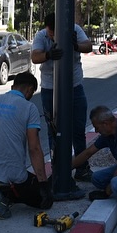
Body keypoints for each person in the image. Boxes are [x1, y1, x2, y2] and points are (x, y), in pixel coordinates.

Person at [0, 71, 52, 219]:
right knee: (44, 202)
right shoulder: (29, 108)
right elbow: (34, 149)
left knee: (24, 184)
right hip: (12, 178)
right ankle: (3, 196)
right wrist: (43, 184)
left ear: (13, 86)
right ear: (29, 90)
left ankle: (2, 193)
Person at [31, 11, 94, 182]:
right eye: (51, 33)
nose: (52, 36)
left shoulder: (75, 30)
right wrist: (48, 55)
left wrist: (76, 45)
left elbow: (88, 46)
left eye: (56, 33)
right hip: (50, 88)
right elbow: (34, 56)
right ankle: (57, 169)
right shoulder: (41, 35)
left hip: (74, 87)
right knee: (53, 130)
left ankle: (82, 168)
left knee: (78, 130)